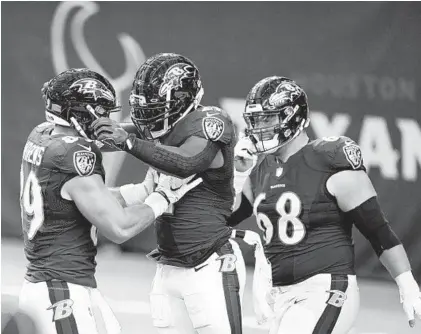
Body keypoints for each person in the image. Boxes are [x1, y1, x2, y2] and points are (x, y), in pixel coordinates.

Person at [230, 76, 421, 333]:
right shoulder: (260, 168)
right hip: (280, 293)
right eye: (256, 120)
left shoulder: (327, 159)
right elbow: (224, 218)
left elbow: (379, 232)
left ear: (291, 117)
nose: (259, 127)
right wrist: (239, 175)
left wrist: (406, 283)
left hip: (325, 287)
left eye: (267, 118)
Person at [19, 68, 202, 334]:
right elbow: (119, 228)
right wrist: (164, 196)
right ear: (81, 112)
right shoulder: (74, 154)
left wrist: (143, 190)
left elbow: (84, 202)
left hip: (58, 284)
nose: (107, 118)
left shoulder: (43, 134)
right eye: (101, 111)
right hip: (60, 290)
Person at [90, 53, 252, 334]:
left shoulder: (211, 122)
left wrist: (126, 141)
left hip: (209, 263)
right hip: (168, 266)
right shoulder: (161, 130)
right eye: (143, 105)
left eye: (154, 106)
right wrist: (76, 133)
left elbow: (186, 161)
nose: (146, 114)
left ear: (181, 99)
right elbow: (115, 136)